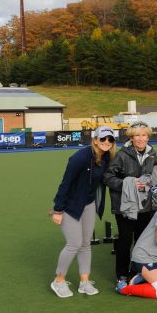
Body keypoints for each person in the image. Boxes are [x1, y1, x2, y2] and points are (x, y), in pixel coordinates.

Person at [49, 125, 116, 298]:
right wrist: (57, 210)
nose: (107, 142)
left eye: (110, 139)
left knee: (86, 244)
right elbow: (65, 183)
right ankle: (58, 281)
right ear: (95, 140)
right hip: (70, 206)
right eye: (103, 138)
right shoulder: (80, 158)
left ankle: (84, 282)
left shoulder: (107, 157)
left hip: (89, 204)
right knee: (74, 244)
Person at [103, 121, 157, 291]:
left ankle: (137, 273)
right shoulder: (122, 155)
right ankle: (121, 275)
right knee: (125, 242)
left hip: (145, 206)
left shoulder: (152, 153)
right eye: (137, 135)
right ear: (131, 138)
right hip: (125, 206)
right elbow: (107, 177)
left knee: (141, 242)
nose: (141, 138)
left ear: (148, 137)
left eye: (144, 135)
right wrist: (128, 184)